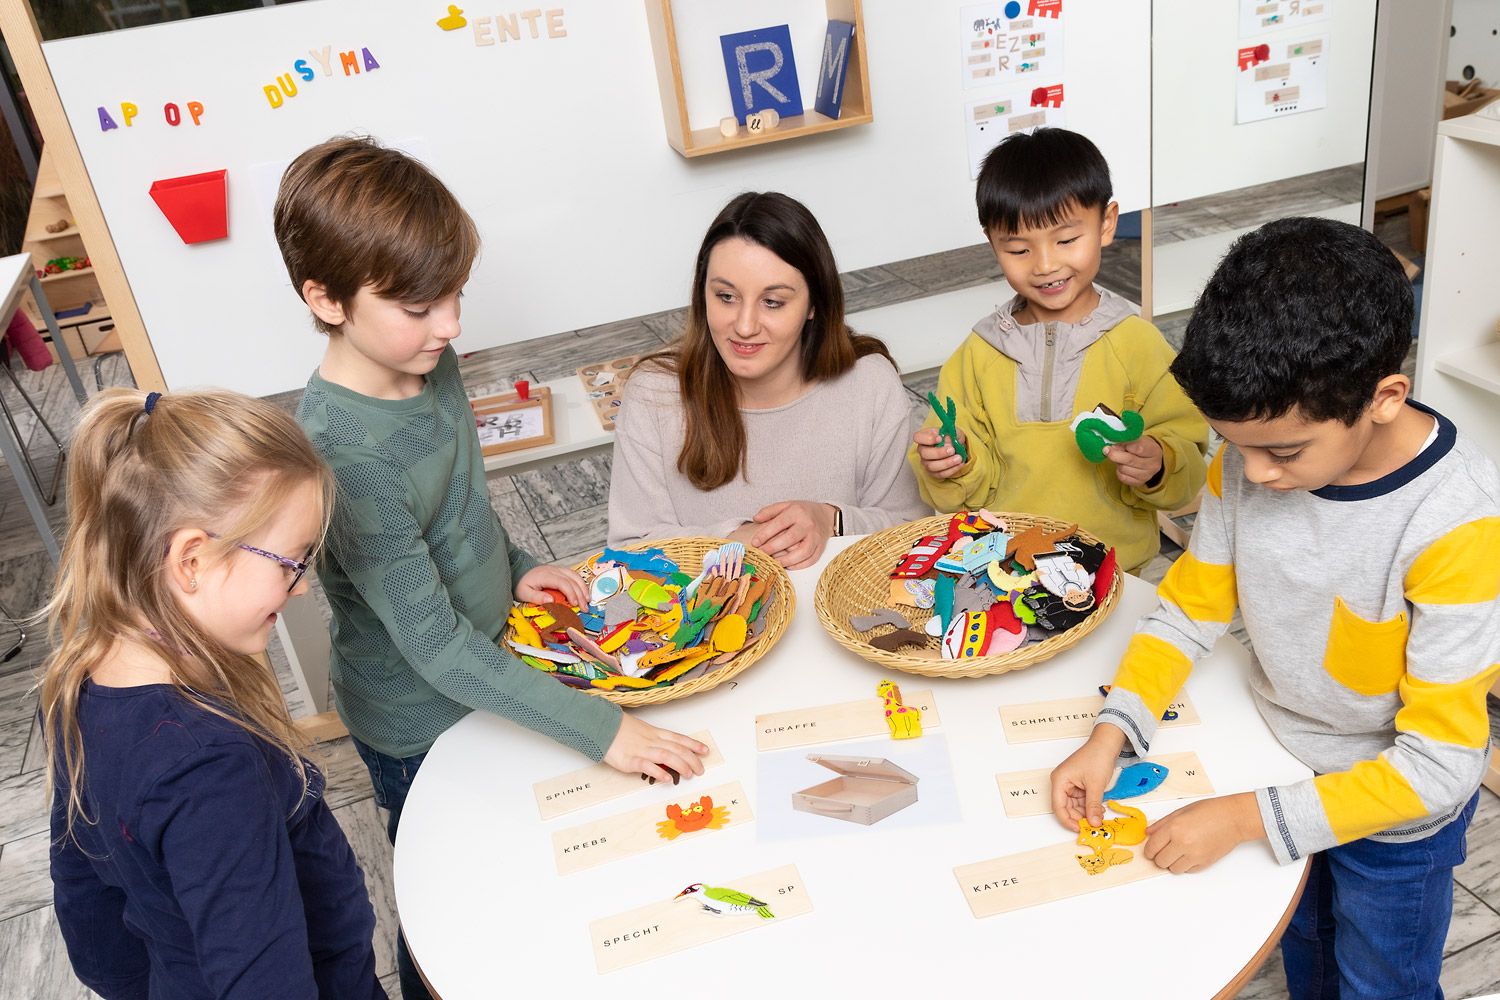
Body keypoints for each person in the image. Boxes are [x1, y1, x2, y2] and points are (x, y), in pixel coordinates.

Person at [276, 136, 708, 999]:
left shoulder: (425, 363)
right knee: (449, 904)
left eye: (455, 296)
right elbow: (434, 646)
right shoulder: (345, 452)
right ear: (324, 298)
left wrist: (512, 566)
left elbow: (460, 506)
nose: (451, 325)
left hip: (490, 664)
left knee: (533, 861)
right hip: (415, 720)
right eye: (419, 306)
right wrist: (606, 731)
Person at [1051, 217, 1499, 1000]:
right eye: (1237, 445)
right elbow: (1188, 611)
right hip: (1278, 763)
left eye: (1283, 452)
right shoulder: (1249, 453)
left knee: (1381, 983)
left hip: (1395, 823)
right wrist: (1110, 732)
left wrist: (1243, 820)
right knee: (1308, 954)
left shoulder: (1456, 524)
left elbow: (1439, 766)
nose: (1253, 474)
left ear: (1384, 398)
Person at [41, 388, 385, 999]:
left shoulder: (79, 683)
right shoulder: (211, 769)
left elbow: (91, 923)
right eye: (290, 562)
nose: (301, 587)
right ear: (192, 561)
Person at [909, 128, 1207, 573]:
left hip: (1115, 572)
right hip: (1005, 573)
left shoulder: (1137, 344)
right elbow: (957, 485)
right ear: (992, 243)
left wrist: (1160, 464)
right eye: (1018, 249)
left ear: (1106, 223)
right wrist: (952, 463)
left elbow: (1189, 460)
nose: (1045, 265)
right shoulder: (978, 354)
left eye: (1066, 241)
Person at [608, 191, 929, 568]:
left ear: (814, 304)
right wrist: (732, 542)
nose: (744, 326)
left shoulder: (870, 381)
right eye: (726, 296)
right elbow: (629, 549)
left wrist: (832, 520)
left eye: (772, 302)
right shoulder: (653, 392)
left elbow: (914, 533)